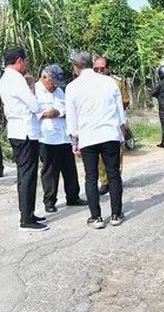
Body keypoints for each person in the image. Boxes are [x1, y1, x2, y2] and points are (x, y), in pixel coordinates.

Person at [66, 51, 126, 229]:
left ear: (76, 67)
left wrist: (74, 142)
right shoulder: (109, 82)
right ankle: (116, 214)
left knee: (91, 178)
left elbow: (72, 119)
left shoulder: (72, 87)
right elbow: (120, 113)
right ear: (91, 64)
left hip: (88, 137)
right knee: (114, 174)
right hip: (110, 134)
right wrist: (121, 135)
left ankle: (96, 217)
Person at [0, 47, 48, 231]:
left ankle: (27, 212)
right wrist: (32, 89)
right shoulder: (17, 79)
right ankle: (26, 219)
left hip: (16, 130)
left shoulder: (5, 78)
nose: (26, 65)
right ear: (19, 60)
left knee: (24, 174)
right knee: (28, 175)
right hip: (26, 132)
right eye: (25, 61)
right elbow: (34, 104)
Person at [36, 64, 88, 213]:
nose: (54, 87)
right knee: (50, 171)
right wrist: (45, 114)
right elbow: (32, 111)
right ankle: (50, 201)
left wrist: (57, 112)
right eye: (53, 82)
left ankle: (73, 197)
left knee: (70, 169)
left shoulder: (60, 92)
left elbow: (69, 110)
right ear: (44, 77)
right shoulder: (35, 90)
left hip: (63, 136)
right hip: (46, 137)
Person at [92, 56, 130, 196]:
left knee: (117, 154)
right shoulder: (89, 84)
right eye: (96, 69)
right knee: (100, 157)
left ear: (108, 69)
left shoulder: (117, 83)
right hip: (96, 123)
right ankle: (104, 182)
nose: (99, 71)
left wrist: (121, 118)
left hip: (115, 122)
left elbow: (125, 101)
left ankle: (115, 178)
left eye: (102, 68)